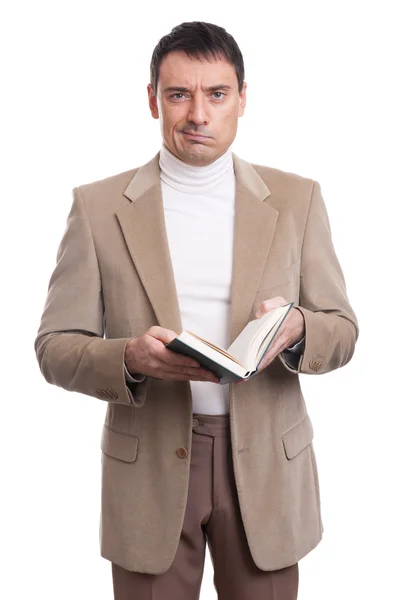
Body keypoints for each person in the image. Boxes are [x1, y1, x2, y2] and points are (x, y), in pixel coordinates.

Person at [34, 21, 359, 600]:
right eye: (179, 94)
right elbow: (55, 346)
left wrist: (299, 329)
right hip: (151, 468)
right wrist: (129, 358)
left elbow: (343, 330)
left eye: (216, 94)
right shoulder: (97, 207)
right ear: (152, 99)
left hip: (264, 466)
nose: (198, 115)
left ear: (242, 100)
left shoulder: (297, 199)